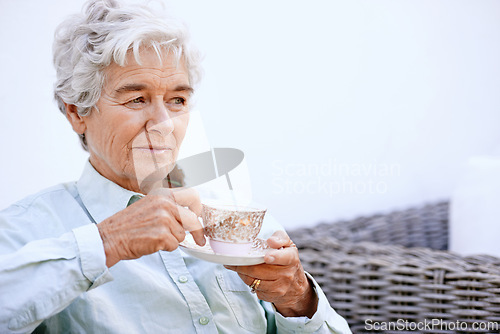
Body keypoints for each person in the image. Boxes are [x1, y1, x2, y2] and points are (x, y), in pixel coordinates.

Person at [0, 0, 351, 333]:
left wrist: (298, 300)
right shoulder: (25, 230)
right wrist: (108, 242)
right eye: (137, 99)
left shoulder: (236, 221)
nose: (165, 123)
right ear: (77, 112)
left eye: (177, 100)